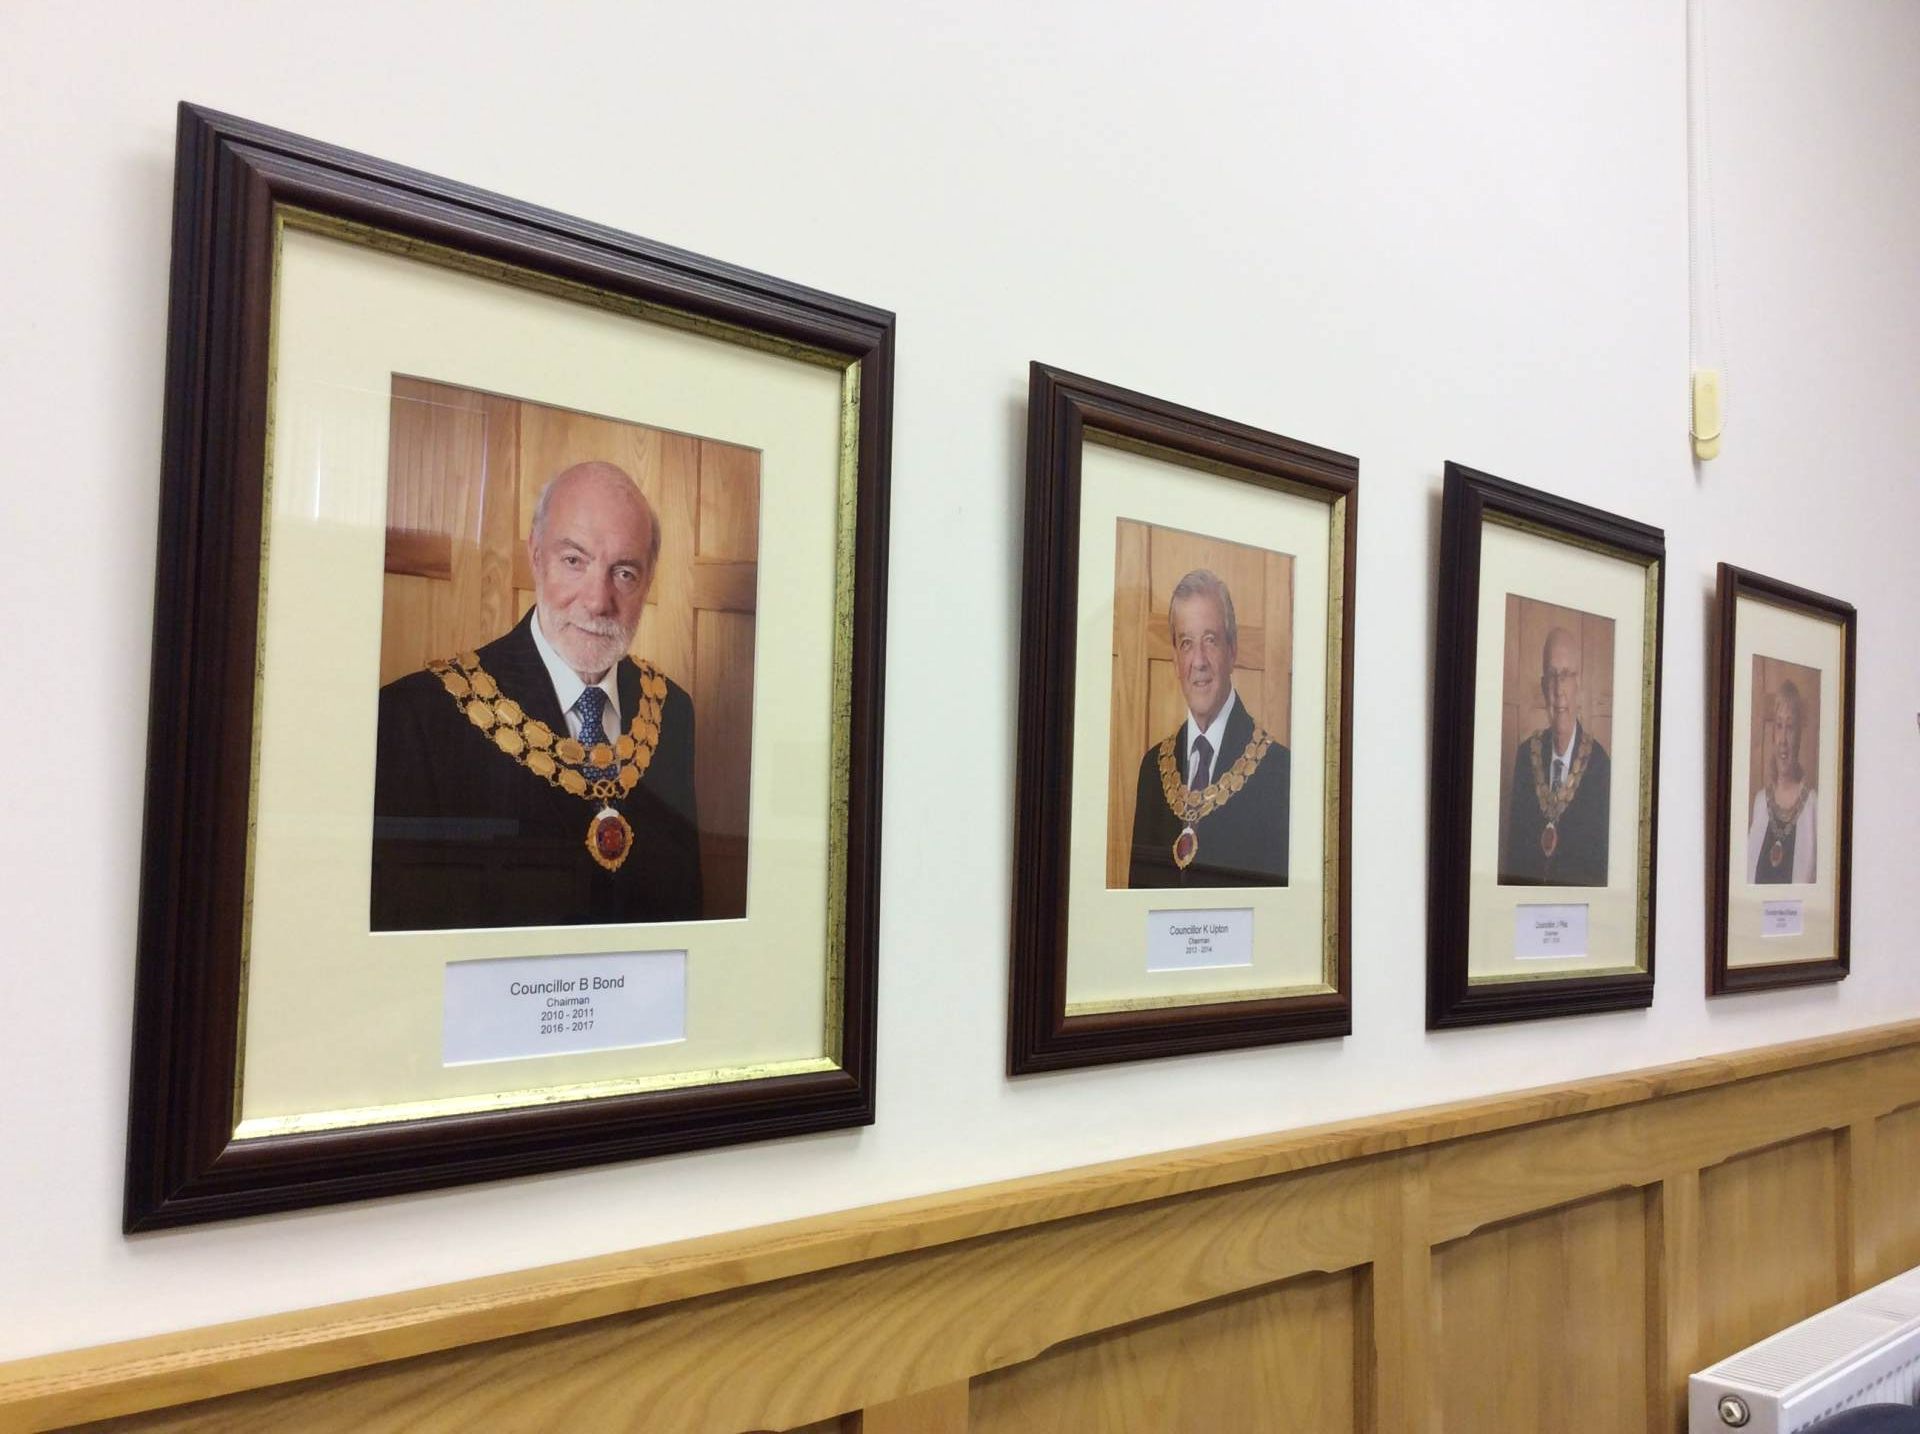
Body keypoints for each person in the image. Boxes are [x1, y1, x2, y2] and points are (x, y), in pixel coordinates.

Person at [371, 461, 702, 930]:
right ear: (536, 555)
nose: (598, 601)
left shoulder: (671, 712)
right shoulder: (420, 719)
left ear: (648, 581)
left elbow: (685, 920)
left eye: (625, 573)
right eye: (574, 561)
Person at [1127, 570, 1290, 888]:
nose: (1198, 661)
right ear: (1176, 659)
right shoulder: (1152, 769)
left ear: (1232, 650)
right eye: (1187, 643)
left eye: (1210, 640)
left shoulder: (1279, 772)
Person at [1501, 625, 1611, 886]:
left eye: (1566, 675)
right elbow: (1514, 857)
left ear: (1578, 684)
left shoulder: (1600, 766)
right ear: (1543, 686)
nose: (1559, 689)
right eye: (1552, 676)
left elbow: (1599, 872)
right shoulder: (1526, 756)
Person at [1747, 679, 1817, 883]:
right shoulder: (1760, 803)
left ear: (1799, 735)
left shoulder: (1813, 806)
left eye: (1790, 727)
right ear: (1772, 735)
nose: (1783, 740)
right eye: (1779, 726)